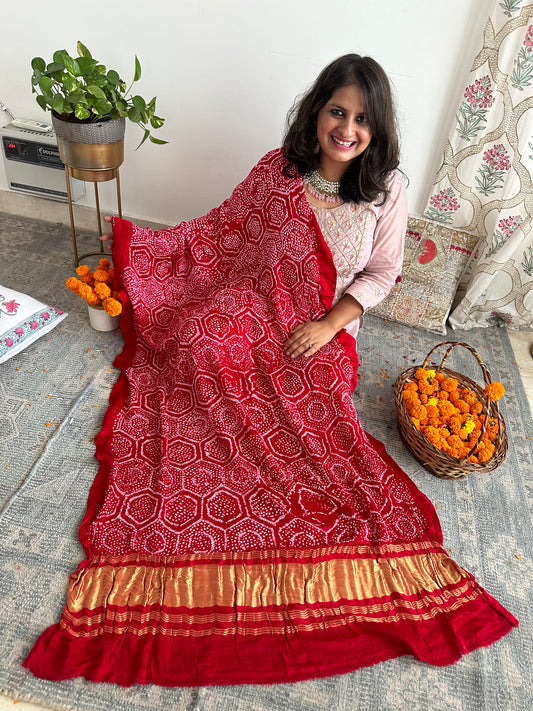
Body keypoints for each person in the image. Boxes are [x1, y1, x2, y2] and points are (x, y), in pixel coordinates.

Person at [24, 54, 517, 687]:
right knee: (196, 347)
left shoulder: (386, 189)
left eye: (363, 119)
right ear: (317, 111)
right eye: (337, 111)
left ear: (379, 127)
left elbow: (383, 274)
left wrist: (328, 324)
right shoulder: (281, 168)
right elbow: (222, 232)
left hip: (321, 326)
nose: (347, 129)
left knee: (307, 421)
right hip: (254, 296)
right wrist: (163, 255)